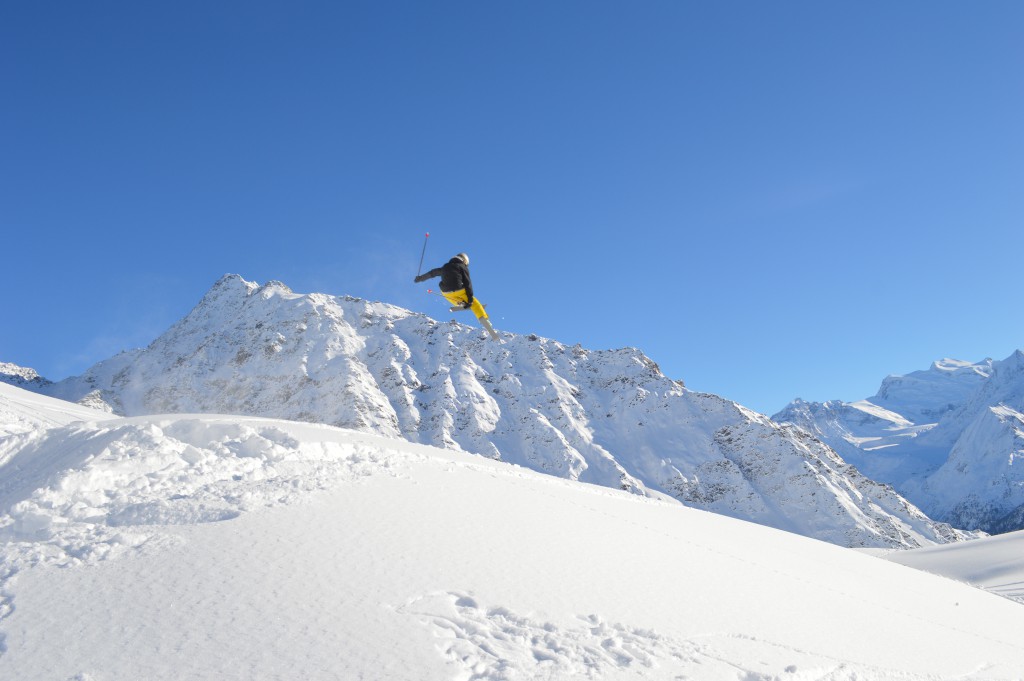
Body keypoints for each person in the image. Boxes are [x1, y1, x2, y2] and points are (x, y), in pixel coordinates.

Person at [414, 252, 490, 322]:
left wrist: (420, 278)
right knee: (475, 303)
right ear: (465, 261)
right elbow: (468, 283)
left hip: (446, 292)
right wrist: (470, 298)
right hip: (459, 289)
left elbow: (432, 273)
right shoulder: (463, 267)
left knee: (451, 296)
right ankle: (484, 318)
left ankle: (460, 303)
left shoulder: (445, 267)